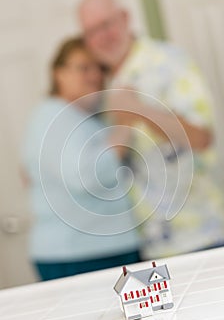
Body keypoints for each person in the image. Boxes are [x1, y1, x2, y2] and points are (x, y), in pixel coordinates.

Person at [78, 0, 224, 258]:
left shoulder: (168, 62)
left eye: (107, 24)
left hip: (201, 237)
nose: (102, 37)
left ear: (125, 19)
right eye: (92, 31)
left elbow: (201, 138)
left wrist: (137, 109)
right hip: (150, 246)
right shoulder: (100, 82)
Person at [21, 37, 141, 281]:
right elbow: (87, 176)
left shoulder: (85, 118)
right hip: (78, 254)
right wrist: (126, 122)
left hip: (102, 248)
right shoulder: (53, 116)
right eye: (84, 67)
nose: (95, 75)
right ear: (59, 74)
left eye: (100, 68)